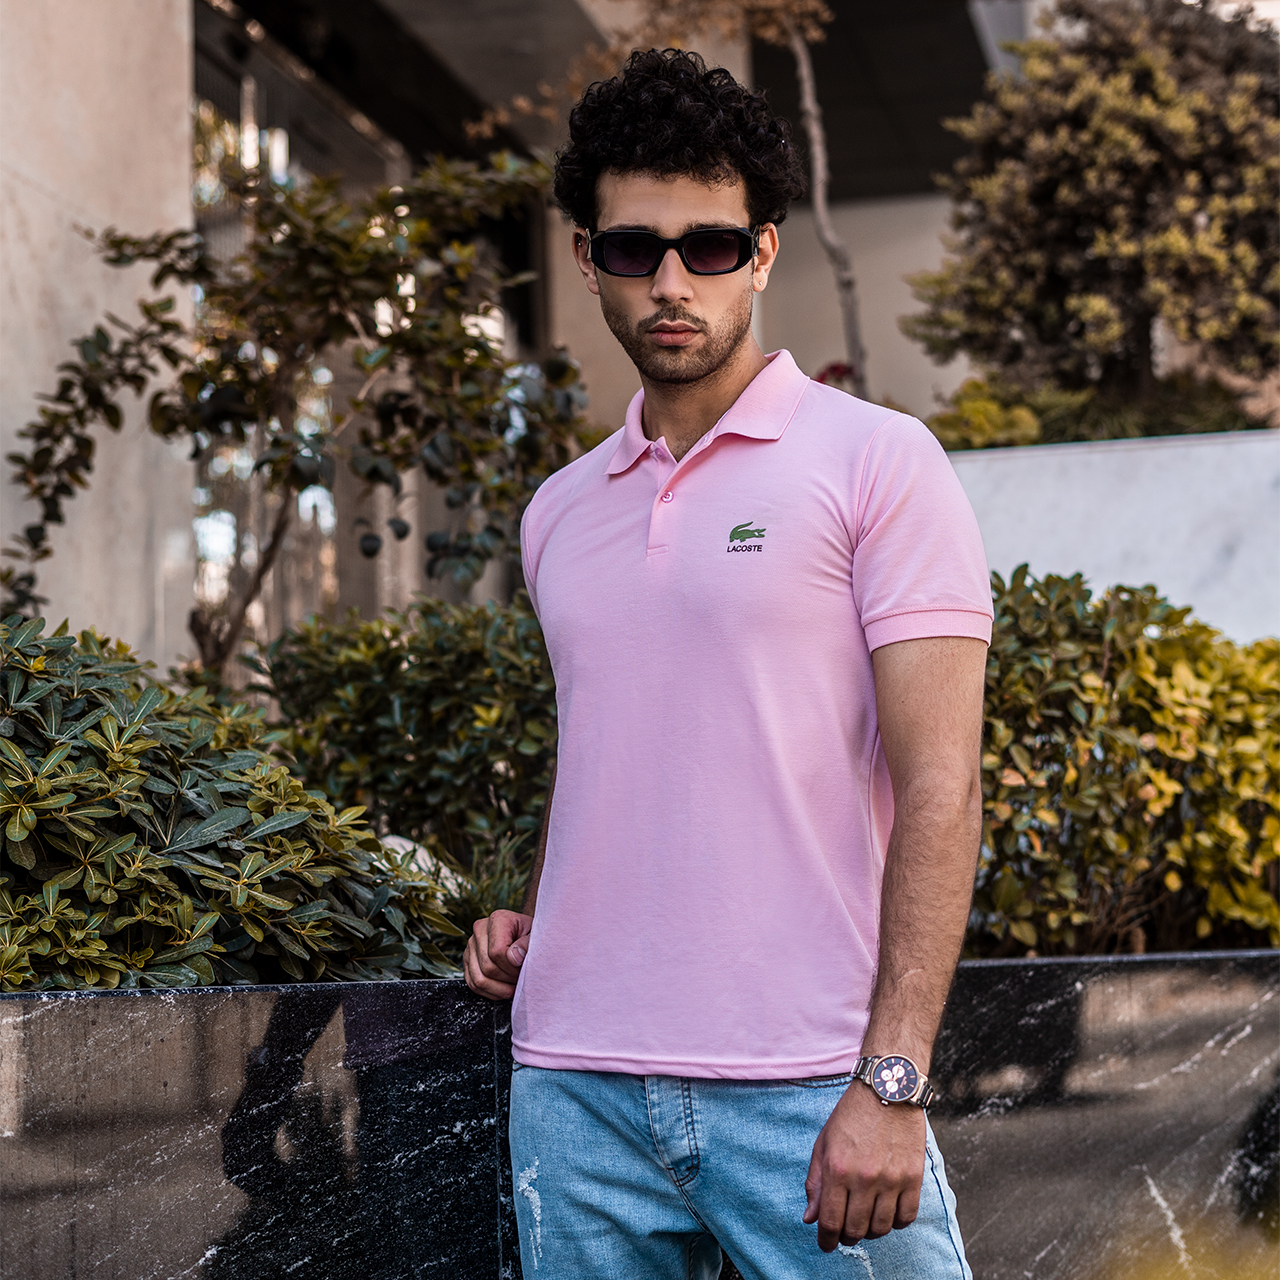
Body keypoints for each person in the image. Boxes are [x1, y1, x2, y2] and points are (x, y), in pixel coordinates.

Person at [464, 48, 991, 1280]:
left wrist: (892, 1077)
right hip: (573, 1085)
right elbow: (614, 745)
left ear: (759, 253)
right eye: (632, 248)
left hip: (810, 1079)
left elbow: (942, 785)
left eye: (706, 247)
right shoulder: (556, 511)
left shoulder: (877, 461)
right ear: (587, 259)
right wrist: (542, 914)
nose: (669, 282)